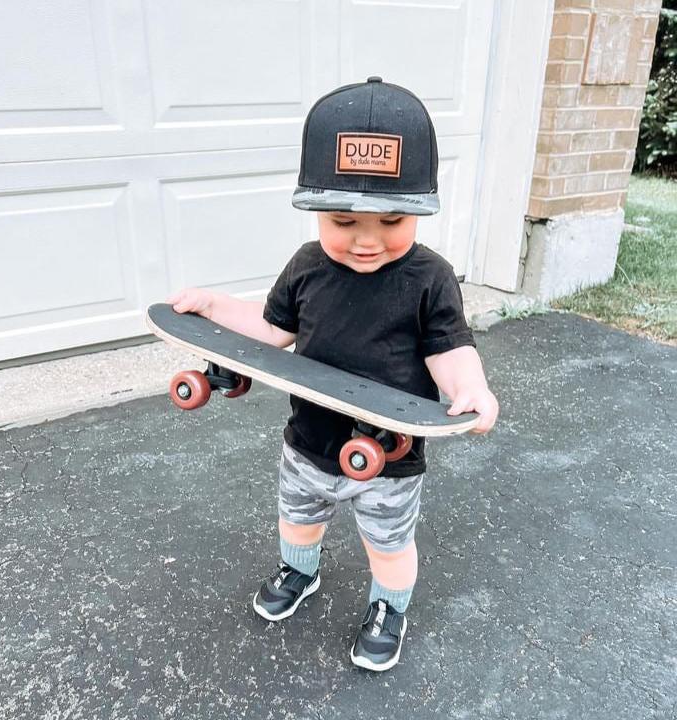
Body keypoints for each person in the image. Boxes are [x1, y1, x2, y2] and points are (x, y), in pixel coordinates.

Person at [167, 77, 499, 672]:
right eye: (344, 221)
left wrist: (468, 389)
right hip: (309, 441)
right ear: (317, 208)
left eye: (393, 220)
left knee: (389, 544)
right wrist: (216, 309)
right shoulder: (305, 266)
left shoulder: (431, 278)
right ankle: (300, 572)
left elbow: (450, 350)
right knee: (297, 520)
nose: (367, 240)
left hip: (389, 455)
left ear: (420, 210)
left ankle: (388, 608)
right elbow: (271, 332)